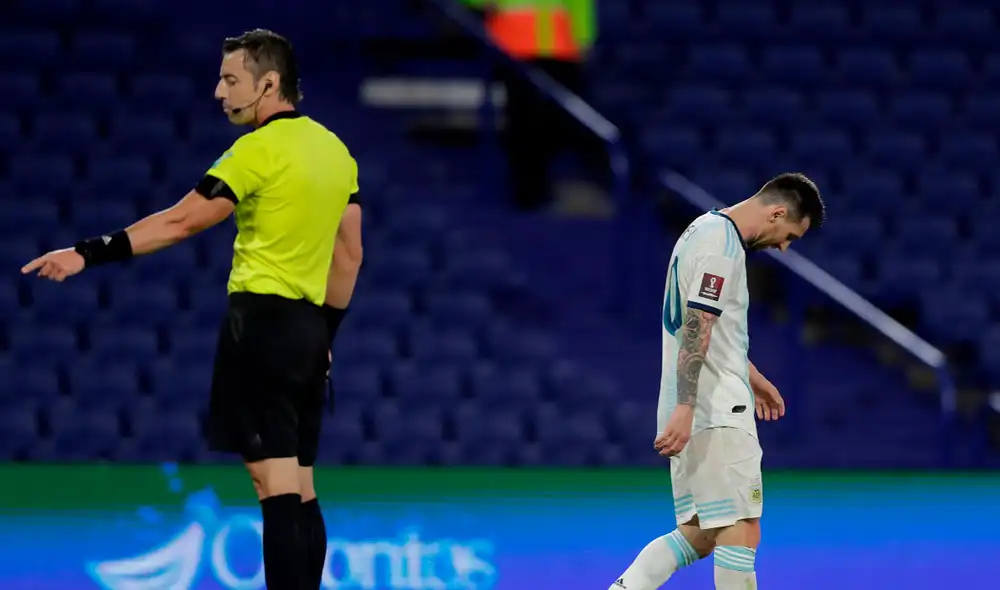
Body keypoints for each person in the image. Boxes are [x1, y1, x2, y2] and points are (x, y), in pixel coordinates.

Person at [21, 29, 359, 590]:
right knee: (301, 483)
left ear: (268, 84)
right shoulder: (336, 151)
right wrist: (326, 332)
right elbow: (350, 255)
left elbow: (183, 221)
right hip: (307, 328)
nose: (218, 91)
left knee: (272, 485)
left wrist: (88, 253)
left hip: (262, 327)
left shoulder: (257, 149)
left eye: (231, 80)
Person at [608, 173, 825, 590]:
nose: (783, 246)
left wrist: (751, 374)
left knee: (700, 533)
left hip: (698, 404)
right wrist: (689, 407)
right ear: (777, 212)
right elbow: (698, 323)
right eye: (789, 235)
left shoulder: (700, 230)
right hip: (716, 411)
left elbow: (708, 325)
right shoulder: (723, 245)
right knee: (741, 530)